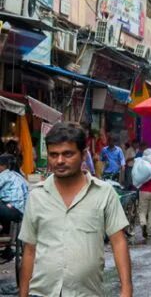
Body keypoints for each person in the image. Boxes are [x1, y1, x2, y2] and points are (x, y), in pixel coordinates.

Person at [19, 123, 132, 297]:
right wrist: (23, 294)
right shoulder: (37, 196)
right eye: (53, 155)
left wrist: (126, 290)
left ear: (83, 154)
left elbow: (118, 242)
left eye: (68, 154)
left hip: (87, 293)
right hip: (42, 293)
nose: (60, 161)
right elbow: (29, 250)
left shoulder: (103, 193)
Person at [0, 154, 28, 260]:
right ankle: (7, 248)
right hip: (20, 212)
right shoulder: (19, 176)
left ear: (2, 166)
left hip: (10, 209)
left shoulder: (3, 175)